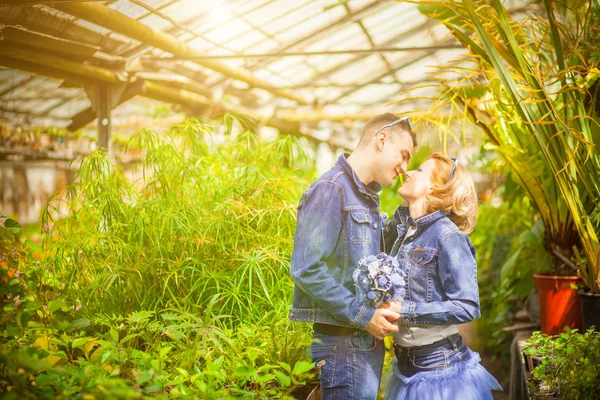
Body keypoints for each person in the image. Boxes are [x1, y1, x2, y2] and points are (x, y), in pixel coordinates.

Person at [289, 113, 417, 399]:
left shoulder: (366, 197)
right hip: (344, 344)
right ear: (381, 140)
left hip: (360, 343)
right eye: (404, 155)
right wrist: (365, 316)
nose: (405, 168)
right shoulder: (332, 188)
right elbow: (306, 268)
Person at [381, 153, 502, 400]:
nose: (409, 171)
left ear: (436, 187)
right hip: (407, 369)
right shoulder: (406, 231)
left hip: (441, 372)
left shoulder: (449, 237)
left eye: (420, 170)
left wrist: (405, 310)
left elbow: (467, 306)